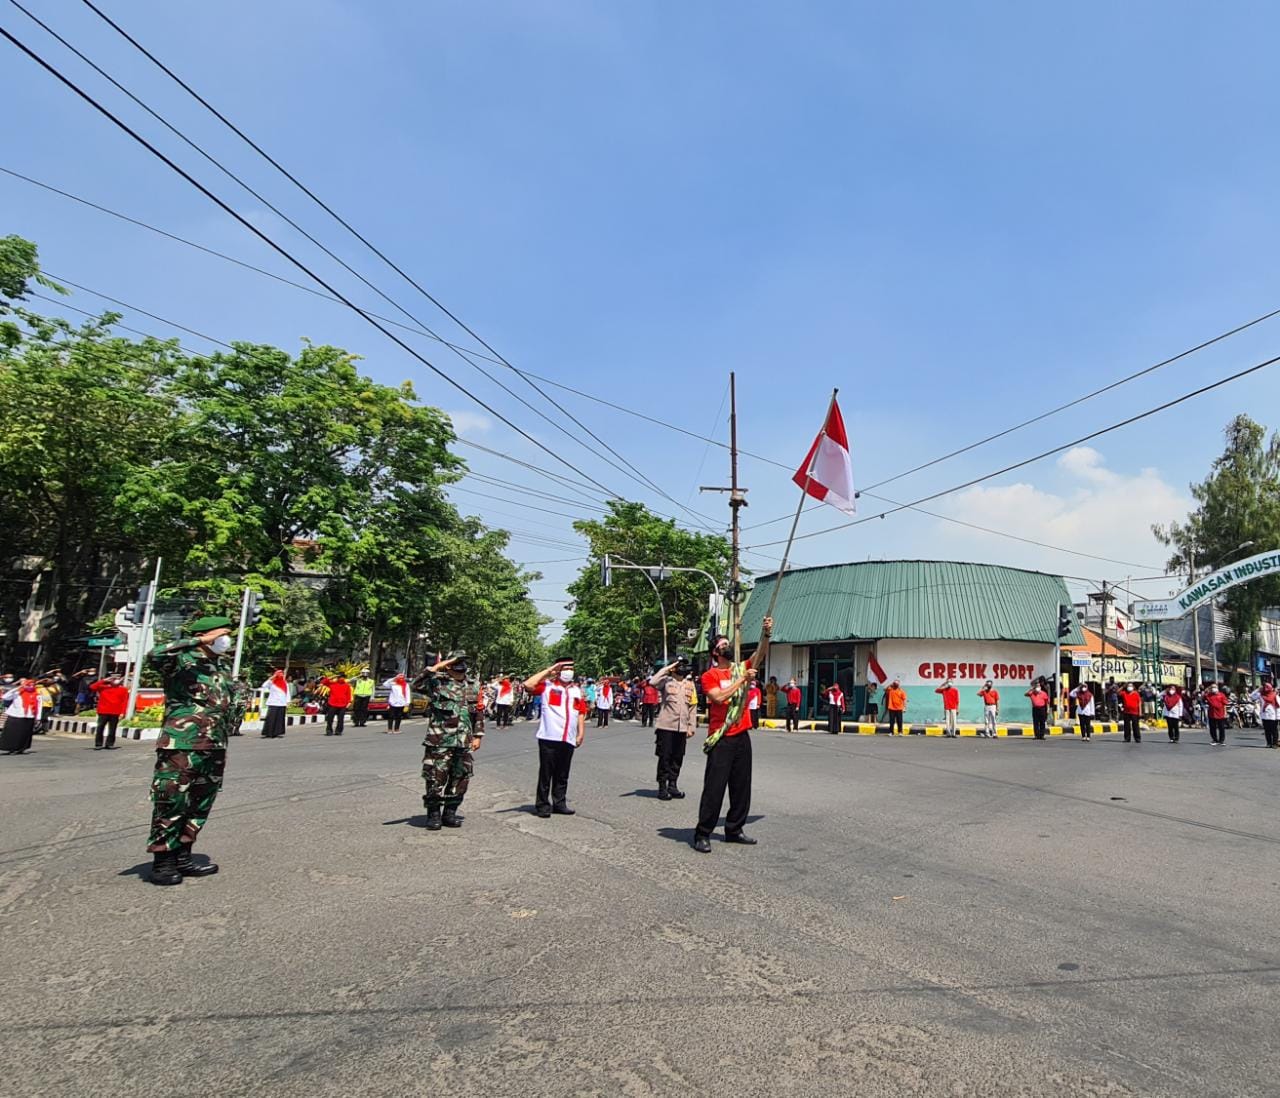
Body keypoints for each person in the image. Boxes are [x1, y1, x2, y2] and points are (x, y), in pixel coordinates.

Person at [145, 616, 237, 886]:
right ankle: (163, 861)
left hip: (214, 744)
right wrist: (196, 641)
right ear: (206, 636)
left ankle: (183, 855)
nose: (226, 640)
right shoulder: (180, 661)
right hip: (182, 743)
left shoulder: (220, 665)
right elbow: (154, 654)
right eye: (221, 635)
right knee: (171, 801)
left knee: (200, 803)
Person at [692, 616, 773, 853]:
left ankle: (734, 829)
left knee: (741, 786)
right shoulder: (710, 676)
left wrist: (766, 635)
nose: (727, 648)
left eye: (728, 644)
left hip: (741, 735)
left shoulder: (740, 668)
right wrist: (741, 681)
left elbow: (759, 656)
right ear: (715, 653)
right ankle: (703, 833)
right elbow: (718, 697)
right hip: (722, 737)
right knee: (715, 787)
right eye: (722, 646)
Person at [416, 652, 484, 830]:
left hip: (464, 741)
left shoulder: (473, 685)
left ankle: (450, 813)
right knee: (435, 778)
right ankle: (433, 814)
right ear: (448, 664)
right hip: (439, 740)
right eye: (457, 661)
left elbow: (478, 712)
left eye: (464, 661)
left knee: (461, 778)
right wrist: (438, 666)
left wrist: (478, 736)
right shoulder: (437, 682)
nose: (461, 665)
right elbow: (415, 684)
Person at [524, 658, 588, 817]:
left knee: (562, 773)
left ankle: (559, 803)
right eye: (565, 667)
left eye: (571, 667)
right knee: (546, 773)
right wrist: (549, 670)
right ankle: (542, 805)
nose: (569, 671)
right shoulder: (547, 686)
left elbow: (580, 712)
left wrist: (581, 733)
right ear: (558, 669)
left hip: (568, 738)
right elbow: (527, 685)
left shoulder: (576, 690)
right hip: (549, 737)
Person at [650, 657, 697, 799]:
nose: (682, 668)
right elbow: (653, 681)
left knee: (677, 758)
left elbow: (692, 707)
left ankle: (673, 785)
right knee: (665, 757)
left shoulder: (690, 685)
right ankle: (662, 787)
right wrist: (669, 667)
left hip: (681, 728)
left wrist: (691, 726)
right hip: (666, 727)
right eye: (679, 665)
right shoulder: (666, 682)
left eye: (683, 665)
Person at [0, 678, 41, 755]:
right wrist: (18, 688)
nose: (30, 687)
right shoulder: (17, 693)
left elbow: (39, 707)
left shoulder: (36, 695)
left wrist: (38, 718)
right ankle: (11, 748)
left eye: (32, 685)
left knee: (24, 734)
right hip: (15, 715)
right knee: (12, 733)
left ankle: (21, 748)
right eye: (28, 685)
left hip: (29, 716)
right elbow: (5, 697)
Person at [89, 673, 128, 749]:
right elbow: (92, 687)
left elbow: (125, 702)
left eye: (118, 678)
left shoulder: (123, 689)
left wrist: (123, 712)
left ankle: (110, 744)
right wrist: (104, 680)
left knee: (112, 729)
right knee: (100, 727)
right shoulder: (103, 688)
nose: (116, 680)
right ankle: (98, 744)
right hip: (103, 711)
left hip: (115, 712)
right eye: (114, 678)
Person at [261, 669, 290, 738]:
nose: (280, 675)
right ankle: (268, 733)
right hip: (273, 703)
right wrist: (272, 677)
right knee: (271, 719)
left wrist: (288, 702)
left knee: (279, 719)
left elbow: (287, 693)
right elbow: (263, 685)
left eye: (281, 674)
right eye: (279, 674)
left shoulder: (285, 683)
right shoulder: (272, 683)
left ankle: (277, 733)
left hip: (282, 703)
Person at [1252, 678, 1279, 748]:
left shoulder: (1274, 695)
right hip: (1264, 715)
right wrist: (1258, 689)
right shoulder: (1261, 695)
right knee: (1267, 731)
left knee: (1274, 730)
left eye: (1267, 687)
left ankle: (1275, 743)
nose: (1265, 689)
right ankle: (1269, 743)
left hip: (1273, 716)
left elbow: (1278, 706)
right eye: (1264, 687)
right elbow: (1252, 696)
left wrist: (1278, 716)